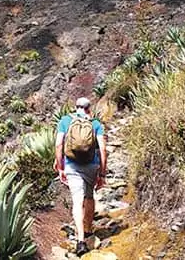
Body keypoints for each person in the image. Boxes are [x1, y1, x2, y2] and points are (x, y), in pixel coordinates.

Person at [54, 97, 107, 256]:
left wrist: (60, 167)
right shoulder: (95, 123)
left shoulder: (65, 121)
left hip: (72, 166)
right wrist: (102, 174)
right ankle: (88, 230)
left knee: (77, 201)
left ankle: (80, 240)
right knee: (89, 197)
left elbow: (58, 144)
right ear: (89, 109)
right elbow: (103, 149)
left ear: (75, 107)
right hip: (92, 166)